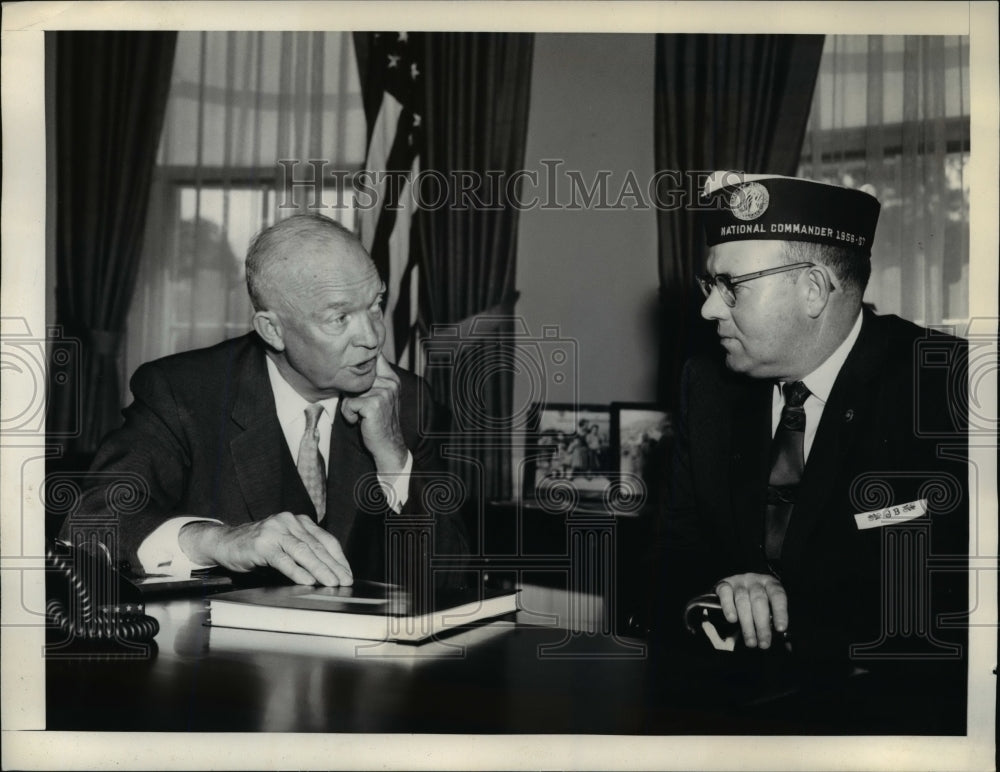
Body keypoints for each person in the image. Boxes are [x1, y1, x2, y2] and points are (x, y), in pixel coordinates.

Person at [654, 172, 968, 730]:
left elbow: (958, 604)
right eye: (710, 286)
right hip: (726, 711)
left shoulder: (947, 387)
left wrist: (788, 609)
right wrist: (718, 589)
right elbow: (675, 551)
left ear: (813, 290)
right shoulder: (707, 384)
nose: (708, 311)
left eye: (732, 287)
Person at [61, 213, 468, 588]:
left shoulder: (408, 400)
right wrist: (217, 540)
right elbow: (90, 525)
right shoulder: (183, 392)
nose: (372, 337)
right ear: (272, 330)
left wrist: (395, 462)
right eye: (339, 318)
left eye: (375, 305)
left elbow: (451, 578)